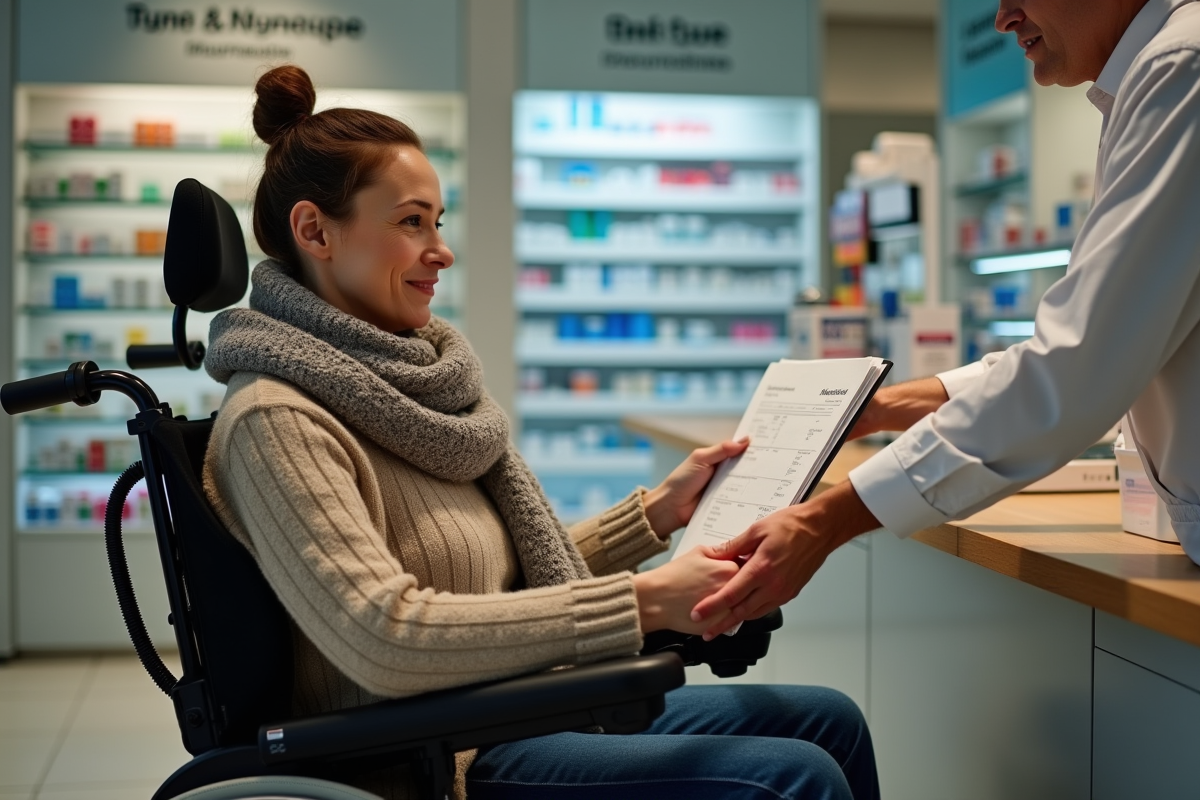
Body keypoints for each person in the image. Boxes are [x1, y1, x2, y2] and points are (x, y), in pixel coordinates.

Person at [201, 65, 879, 800]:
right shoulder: (278, 418)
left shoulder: (411, 390)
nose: (440, 249)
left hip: (509, 704)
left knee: (829, 721)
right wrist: (647, 602)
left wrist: (654, 514)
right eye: (410, 221)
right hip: (437, 755)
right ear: (315, 231)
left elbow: (497, 584)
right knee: (792, 778)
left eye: (438, 221)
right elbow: (384, 636)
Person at [693, 0, 1200, 638]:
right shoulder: (1158, 72)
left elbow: (1076, 367)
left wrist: (827, 519)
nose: (1002, 17)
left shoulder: (1183, 66)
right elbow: (1087, 348)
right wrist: (881, 407)